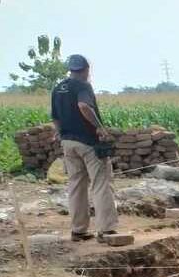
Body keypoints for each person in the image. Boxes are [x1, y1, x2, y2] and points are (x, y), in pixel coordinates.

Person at [51, 54, 119, 243]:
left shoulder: (58, 88)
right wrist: (100, 127)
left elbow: (55, 117)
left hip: (67, 142)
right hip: (88, 143)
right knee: (100, 183)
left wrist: (59, 133)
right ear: (86, 70)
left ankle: (79, 230)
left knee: (76, 185)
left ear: (71, 69)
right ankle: (107, 229)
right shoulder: (83, 86)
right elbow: (83, 105)